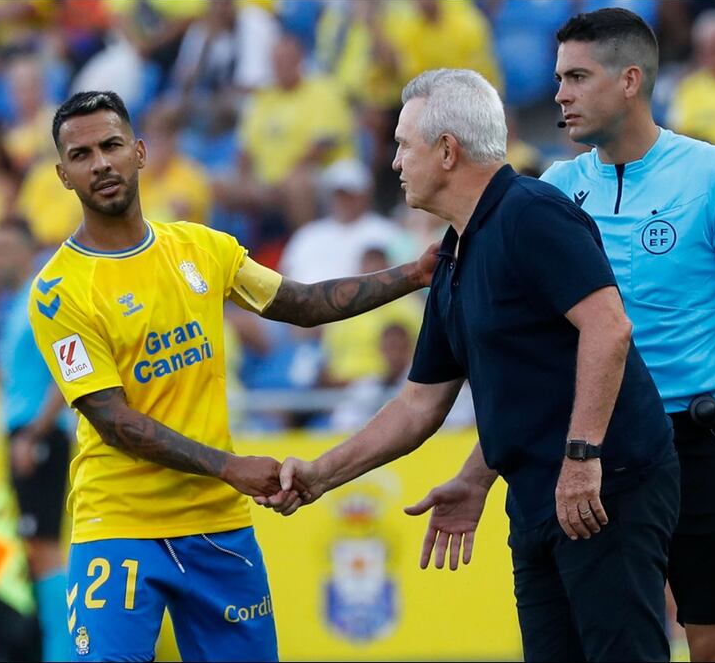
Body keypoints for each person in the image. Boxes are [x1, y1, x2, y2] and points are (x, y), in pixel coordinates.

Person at [412, 9, 715, 663]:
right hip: (599, 451)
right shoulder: (553, 191)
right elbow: (529, 368)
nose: (558, 93)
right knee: (603, 644)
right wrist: (479, 473)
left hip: (700, 439)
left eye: (577, 77)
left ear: (628, 81)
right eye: (558, 76)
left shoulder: (714, 175)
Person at [260, 68, 682, 661]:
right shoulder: (455, 252)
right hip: (537, 494)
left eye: (403, 145)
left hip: (604, 487)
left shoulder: (532, 212)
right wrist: (320, 475)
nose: (395, 162)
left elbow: (609, 328)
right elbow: (419, 404)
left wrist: (583, 459)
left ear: (448, 151)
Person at [27, 90, 437, 662]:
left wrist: (415, 273)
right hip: (118, 524)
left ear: (140, 152)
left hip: (217, 523)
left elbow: (302, 303)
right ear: (63, 175)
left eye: (112, 145)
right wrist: (228, 465)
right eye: (81, 154)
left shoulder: (201, 248)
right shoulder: (58, 290)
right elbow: (113, 419)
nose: (100, 163)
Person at [0, 220, 72, 661]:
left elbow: (67, 367)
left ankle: (64, 653)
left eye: (0, 250)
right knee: (35, 550)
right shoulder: (17, 306)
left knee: (45, 549)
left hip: (39, 438)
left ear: (24, 252)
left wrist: (36, 432)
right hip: (26, 434)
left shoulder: (42, 297)